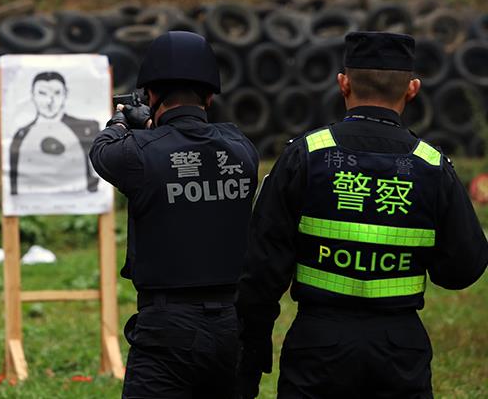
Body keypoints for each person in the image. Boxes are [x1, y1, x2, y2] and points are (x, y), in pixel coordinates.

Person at [235, 31, 488, 398]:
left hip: (317, 346)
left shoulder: (304, 156)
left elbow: (259, 272)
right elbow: (464, 268)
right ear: (412, 89)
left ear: (343, 83)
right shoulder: (432, 167)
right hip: (400, 349)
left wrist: (250, 353)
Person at [90, 31, 259, 398]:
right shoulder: (242, 150)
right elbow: (193, 146)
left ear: (151, 95)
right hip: (229, 324)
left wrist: (121, 122)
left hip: (166, 327)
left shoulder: (139, 153)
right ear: (210, 96)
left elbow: (102, 152)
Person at [9, 71, 99, 195]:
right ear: (32, 95)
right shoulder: (21, 134)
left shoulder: (87, 129)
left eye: (57, 93)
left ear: (65, 94)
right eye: (42, 93)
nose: (49, 101)